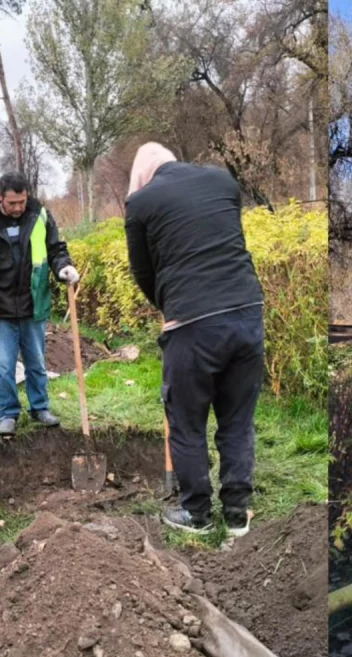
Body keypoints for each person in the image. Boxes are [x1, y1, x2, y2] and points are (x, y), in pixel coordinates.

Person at [124, 142, 266, 538]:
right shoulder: (222, 180)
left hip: (191, 323)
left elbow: (144, 274)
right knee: (238, 420)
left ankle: (197, 514)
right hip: (247, 312)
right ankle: (237, 513)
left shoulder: (140, 203)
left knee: (186, 424)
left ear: (142, 173)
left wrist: (170, 305)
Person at [0, 172, 78, 437]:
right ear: (0, 197)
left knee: (36, 361)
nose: (18, 207)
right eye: (12, 203)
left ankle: (40, 408)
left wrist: (64, 268)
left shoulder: (40, 217)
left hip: (32, 305)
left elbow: (56, 250)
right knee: (3, 365)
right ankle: (8, 414)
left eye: (22, 201)